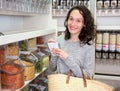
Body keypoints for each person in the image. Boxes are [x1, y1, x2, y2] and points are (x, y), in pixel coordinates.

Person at [45, 5, 96, 79]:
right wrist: (53, 52)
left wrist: (67, 58)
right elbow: (51, 69)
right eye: (71, 19)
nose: (73, 24)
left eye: (78, 21)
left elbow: (88, 76)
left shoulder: (89, 45)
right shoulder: (60, 40)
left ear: (84, 24)